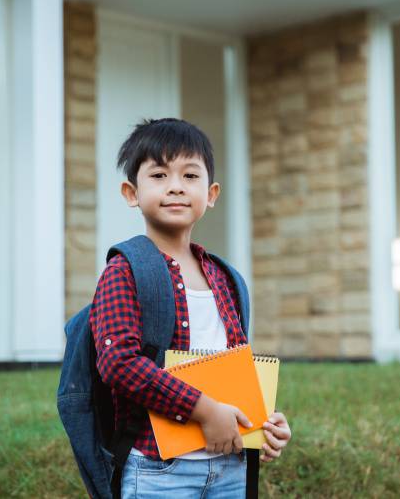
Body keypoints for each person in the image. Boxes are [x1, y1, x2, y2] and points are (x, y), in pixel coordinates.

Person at [89, 118, 292, 498]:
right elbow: (119, 363)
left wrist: (261, 425)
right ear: (131, 192)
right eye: (160, 175)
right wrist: (204, 410)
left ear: (211, 193)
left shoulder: (226, 278)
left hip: (230, 466)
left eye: (190, 175)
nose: (176, 187)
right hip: (158, 471)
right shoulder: (125, 271)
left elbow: (232, 367)